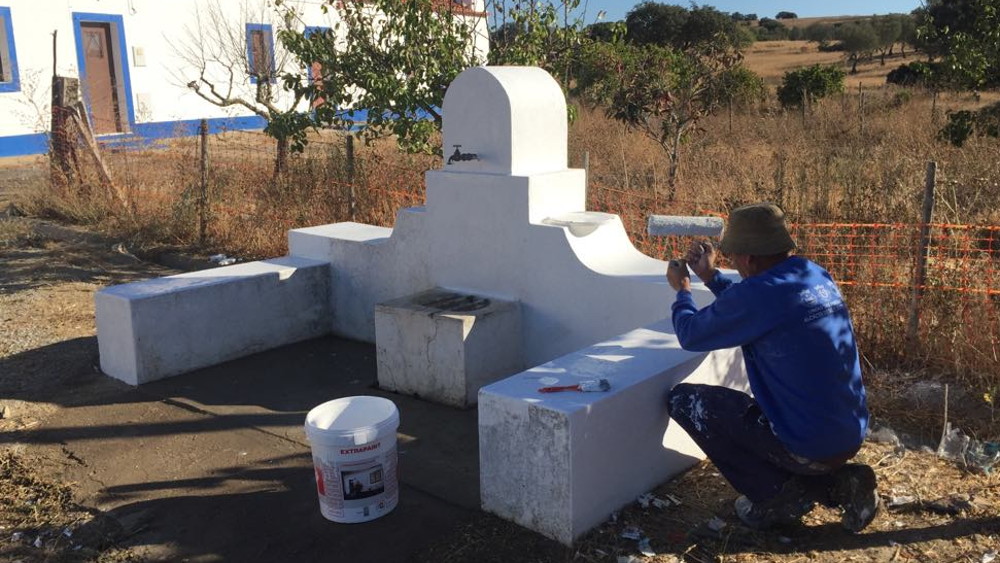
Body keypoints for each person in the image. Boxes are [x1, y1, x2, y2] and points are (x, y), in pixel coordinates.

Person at [663, 202, 878, 532]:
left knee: (687, 403)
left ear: (749, 258)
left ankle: (777, 497)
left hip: (808, 444)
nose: (732, 261)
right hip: (848, 431)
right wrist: (711, 277)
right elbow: (757, 303)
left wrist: (683, 291)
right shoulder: (812, 274)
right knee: (755, 416)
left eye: (733, 257)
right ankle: (840, 481)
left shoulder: (758, 296)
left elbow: (690, 334)